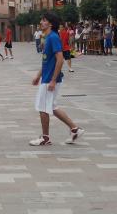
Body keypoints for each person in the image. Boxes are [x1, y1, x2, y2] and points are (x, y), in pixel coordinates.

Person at [30, 12, 84, 146]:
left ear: (50, 24)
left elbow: (60, 59)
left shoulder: (53, 37)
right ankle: (74, 129)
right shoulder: (48, 37)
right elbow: (47, 61)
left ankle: (45, 138)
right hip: (47, 77)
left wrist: (53, 80)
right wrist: (38, 75)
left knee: (42, 107)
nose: (41, 22)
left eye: (43, 20)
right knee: (51, 106)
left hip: (50, 79)